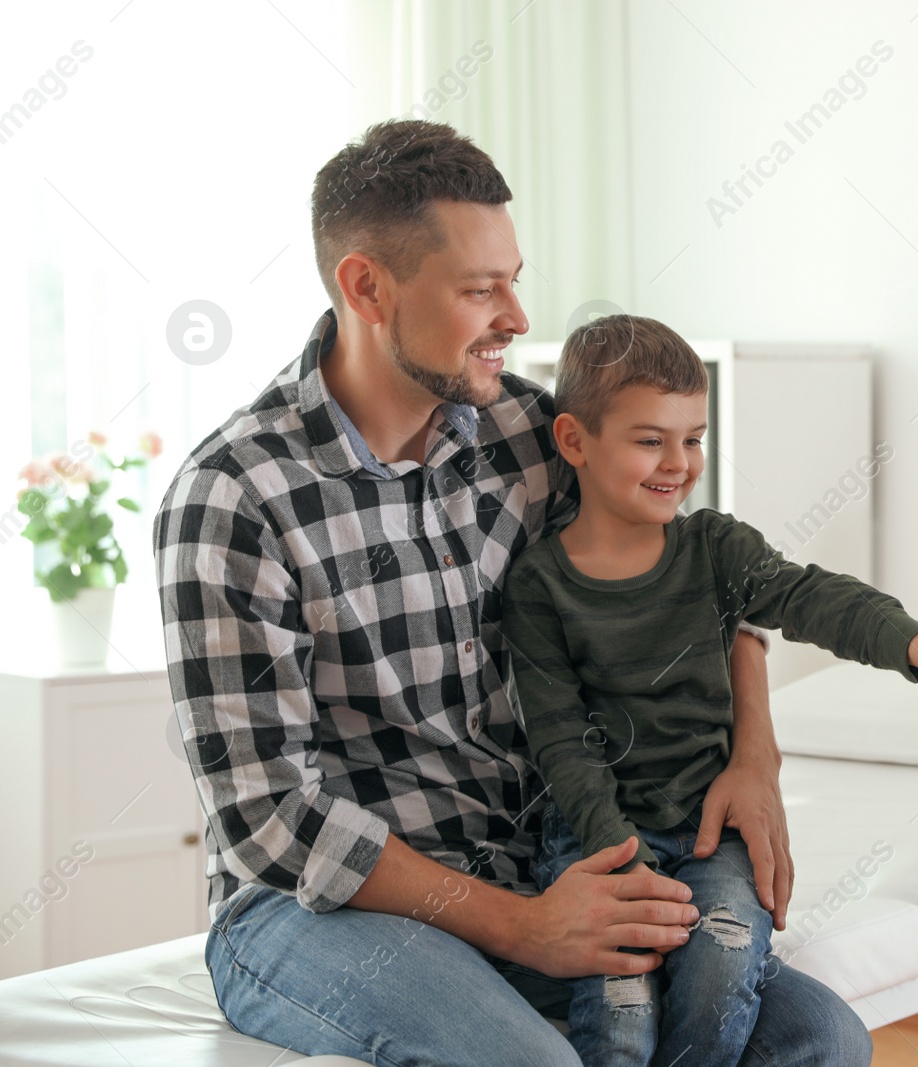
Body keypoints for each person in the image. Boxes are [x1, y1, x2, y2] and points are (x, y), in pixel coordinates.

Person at [153, 118, 873, 1066]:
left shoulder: (535, 438)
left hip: (536, 862)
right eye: (480, 289)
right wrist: (523, 927)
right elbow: (273, 819)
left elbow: (707, 581)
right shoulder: (236, 497)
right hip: (313, 910)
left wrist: (755, 756)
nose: (519, 318)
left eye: (515, 279)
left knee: (823, 1037)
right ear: (367, 286)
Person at [499, 313, 918, 1066]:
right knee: (621, 1008)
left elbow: (814, 599)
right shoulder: (540, 585)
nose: (679, 461)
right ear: (575, 440)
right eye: (651, 439)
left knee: (719, 971)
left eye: (694, 437)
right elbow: (560, 740)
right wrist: (620, 858)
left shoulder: (715, 548)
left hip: (715, 839)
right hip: (595, 840)